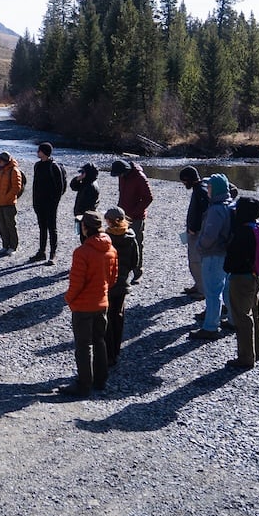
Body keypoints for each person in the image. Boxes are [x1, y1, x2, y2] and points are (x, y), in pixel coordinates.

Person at [59, 210, 117, 397]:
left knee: (83, 346)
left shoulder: (82, 252)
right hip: (102, 303)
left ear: (85, 228)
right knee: (100, 341)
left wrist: (69, 299)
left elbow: (77, 282)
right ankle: (100, 380)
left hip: (83, 306)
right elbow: (113, 278)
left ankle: (84, 384)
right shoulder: (111, 249)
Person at [190, 174, 234, 341]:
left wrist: (200, 247)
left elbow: (209, 235)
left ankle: (210, 327)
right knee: (227, 289)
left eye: (209, 187)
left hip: (213, 255)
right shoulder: (229, 205)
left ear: (215, 189)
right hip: (227, 254)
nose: (207, 190)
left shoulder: (215, 209)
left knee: (212, 292)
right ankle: (233, 320)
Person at [223, 196, 259, 369]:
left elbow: (232, 260)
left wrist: (227, 266)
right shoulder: (258, 228)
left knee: (242, 317)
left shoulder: (242, 232)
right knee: (254, 315)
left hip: (241, 279)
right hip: (257, 277)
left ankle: (246, 358)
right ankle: (257, 350)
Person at [102, 206, 139, 367]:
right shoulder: (131, 238)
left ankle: (108, 354)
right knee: (119, 317)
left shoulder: (106, 238)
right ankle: (116, 352)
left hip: (108, 284)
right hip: (123, 284)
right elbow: (135, 262)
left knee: (107, 319)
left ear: (110, 221)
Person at [110, 159, 153, 283]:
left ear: (126, 171)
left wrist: (134, 212)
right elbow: (122, 194)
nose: (119, 177)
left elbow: (149, 198)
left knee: (136, 244)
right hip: (122, 216)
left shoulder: (140, 177)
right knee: (119, 242)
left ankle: (138, 272)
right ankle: (121, 272)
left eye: (119, 174)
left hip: (136, 218)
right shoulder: (122, 176)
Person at [29, 142, 67, 265]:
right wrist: (35, 202)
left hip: (51, 204)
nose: (37, 152)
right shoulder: (37, 166)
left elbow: (60, 188)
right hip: (39, 203)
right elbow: (35, 186)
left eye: (39, 150)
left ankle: (53, 254)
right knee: (42, 227)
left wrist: (54, 202)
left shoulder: (54, 166)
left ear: (44, 152)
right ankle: (42, 252)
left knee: (52, 228)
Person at [179, 166, 207, 299]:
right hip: (194, 231)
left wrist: (194, 228)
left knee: (196, 261)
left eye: (184, 181)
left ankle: (202, 290)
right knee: (194, 260)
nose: (183, 183)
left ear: (189, 179)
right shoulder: (200, 189)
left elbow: (203, 213)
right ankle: (198, 284)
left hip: (196, 233)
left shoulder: (200, 191)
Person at [0, 151, 24, 256]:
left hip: (9, 204)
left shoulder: (14, 171)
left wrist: (6, 198)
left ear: (5, 161)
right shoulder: (0, 170)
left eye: (0, 161)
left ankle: (13, 246)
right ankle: (5, 245)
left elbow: (17, 188)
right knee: (1, 226)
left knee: (10, 225)